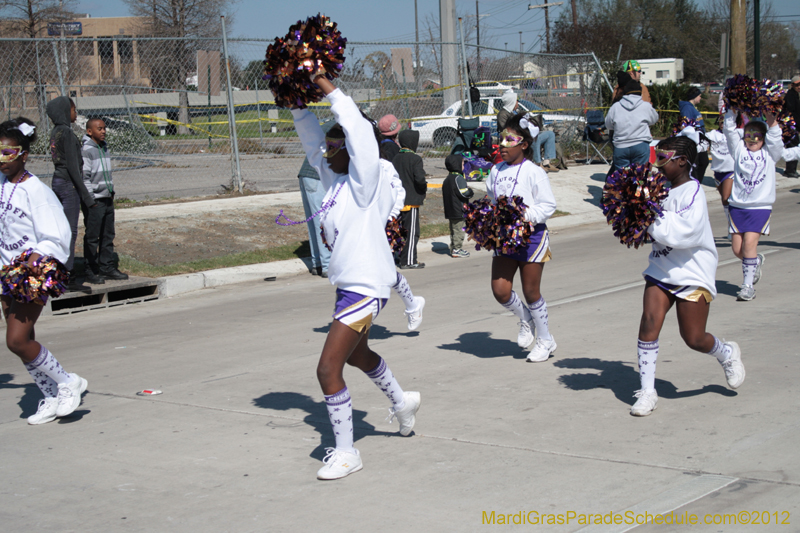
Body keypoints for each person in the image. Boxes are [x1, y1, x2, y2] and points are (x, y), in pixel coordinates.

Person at [291, 73, 421, 480]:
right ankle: (402, 402)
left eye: (336, 147)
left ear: (353, 149)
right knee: (358, 355)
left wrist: (328, 88)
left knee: (328, 369)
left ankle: (347, 452)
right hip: (350, 286)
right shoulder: (336, 181)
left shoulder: (365, 183)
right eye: (328, 148)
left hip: (366, 287)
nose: (327, 153)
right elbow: (314, 144)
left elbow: (358, 134)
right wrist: (295, 102)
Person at [629, 134, 745, 417]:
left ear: (682, 162)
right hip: (661, 269)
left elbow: (684, 234)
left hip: (691, 273)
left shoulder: (693, 193)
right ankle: (647, 391)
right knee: (648, 323)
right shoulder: (661, 190)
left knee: (693, 338)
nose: (657, 166)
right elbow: (655, 231)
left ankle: (725, 353)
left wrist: (650, 218)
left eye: (663, 159)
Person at [0, 117, 88, 424]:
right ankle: (50, 395)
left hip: (32, 273)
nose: (2, 159)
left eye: (8, 153)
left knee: (16, 340)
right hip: (6, 273)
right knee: (26, 340)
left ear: (23, 154)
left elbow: (58, 234)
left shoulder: (35, 191)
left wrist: (35, 257)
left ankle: (67, 382)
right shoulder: (2, 185)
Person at [487, 113, 558, 363]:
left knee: (531, 291)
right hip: (505, 239)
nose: (502, 145)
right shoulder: (495, 171)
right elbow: (492, 201)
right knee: (500, 290)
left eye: (509, 140)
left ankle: (546, 339)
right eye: (501, 139)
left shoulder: (534, 172)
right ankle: (526, 318)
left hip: (531, 238)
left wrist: (522, 216)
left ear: (524, 144)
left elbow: (548, 205)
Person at [723, 108, 782, 301]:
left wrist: (772, 122)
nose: (752, 140)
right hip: (737, 207)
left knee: (749, 245)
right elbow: (729, 131)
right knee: (737, 250)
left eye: (757, 137)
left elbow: (775, 139)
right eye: (748, 136)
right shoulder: (739, 149)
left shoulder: (770, 153)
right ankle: (755, 261)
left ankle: (747, 286)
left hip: (760, 207)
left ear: (763, 138)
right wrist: (731, 111)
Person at [46, 96, 94, 288]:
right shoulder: (66, 132)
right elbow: (74, 167)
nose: (75, 113)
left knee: (60, 230)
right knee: (69, 231)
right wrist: (86, 196)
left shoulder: (55, 131)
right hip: (68, 184)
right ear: (65, 111)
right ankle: (68, 275)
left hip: (58, 182)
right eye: (73, 109)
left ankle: (60, 272)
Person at [81, 118, 128, 284]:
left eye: (104, 128)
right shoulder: (87, 150)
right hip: (95, 201)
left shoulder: (104, 147)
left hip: (107, 198)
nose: (103, 131)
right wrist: (91, 199)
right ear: (89, 131)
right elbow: (85, 177)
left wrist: (110, 190)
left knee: (108, 234)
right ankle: (90, 269)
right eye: (99, 129)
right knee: (93, 236)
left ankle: (106, 267)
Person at [297, 120, 335, 278]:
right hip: (316, 177)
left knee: (314, 221)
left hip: (307, 174)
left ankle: (317, 263)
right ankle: (327, 265)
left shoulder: (331, 125)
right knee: (323, 220)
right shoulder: (341, 128)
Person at [605, 80, 659, 171]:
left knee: (621, 178)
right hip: (640, 145)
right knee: (640, 176)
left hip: (621, 146)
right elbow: (654, 119)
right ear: (640, 93)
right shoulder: (646, 106)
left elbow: (608, 125)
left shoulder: (615, 107)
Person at [393, 129, 427, 269]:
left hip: (398, 201)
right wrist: (423, 188)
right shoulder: (415, 159)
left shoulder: (395, 158)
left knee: (400, 231)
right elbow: (419, 179)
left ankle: (399, 256)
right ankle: (409, 260)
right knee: (412, 232)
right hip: (411, 201)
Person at [706, 113, 735, 237]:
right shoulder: (713, 135)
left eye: (726, 122)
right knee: (725, 203)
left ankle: (732, 228)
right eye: (722, 122)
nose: (723, 124)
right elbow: (700, 139)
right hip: (717, 171)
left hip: (731, 170)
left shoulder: (735, 134)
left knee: (726, 198)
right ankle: (731, 224)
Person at [441, 154, 474, 258]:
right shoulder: (458, 178)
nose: (463, 166)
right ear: (457, 165)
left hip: (450, 209)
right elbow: (464, 193)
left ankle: (453, 247)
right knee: (459, 230)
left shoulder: (447, 179)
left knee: (453, 230)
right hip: (458, 209)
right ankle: (457, 249)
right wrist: (470, 192)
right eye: (463, 164)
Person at [679, 87, 709, 181]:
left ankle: (696, 181)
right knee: (698, 163)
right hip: (694, 140)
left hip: (700, 140)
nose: (700, 98)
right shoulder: (687, 107)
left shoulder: (692, 107)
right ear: (694, 96)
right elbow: (686, 124)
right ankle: (694, 181)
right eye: (699, 96)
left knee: (703, 162)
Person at [781, 75, 800, 178]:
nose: (799, 87)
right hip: (790, 126)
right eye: (797, 85)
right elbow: (791, 111)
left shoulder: (796, 95)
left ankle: (791, 170)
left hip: (794, 125)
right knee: (792, 146)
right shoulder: (791, 95)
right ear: (792, 85)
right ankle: (790, 171)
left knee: (794, 146)